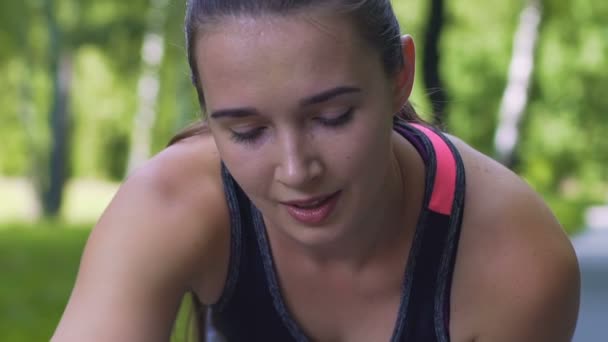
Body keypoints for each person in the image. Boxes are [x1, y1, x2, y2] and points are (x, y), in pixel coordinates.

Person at [52, 0, 580, 341]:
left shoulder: (515, 260)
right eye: (246, 130)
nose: (295, 169)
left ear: (401, 76)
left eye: (332, 117)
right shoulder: (168, 204)